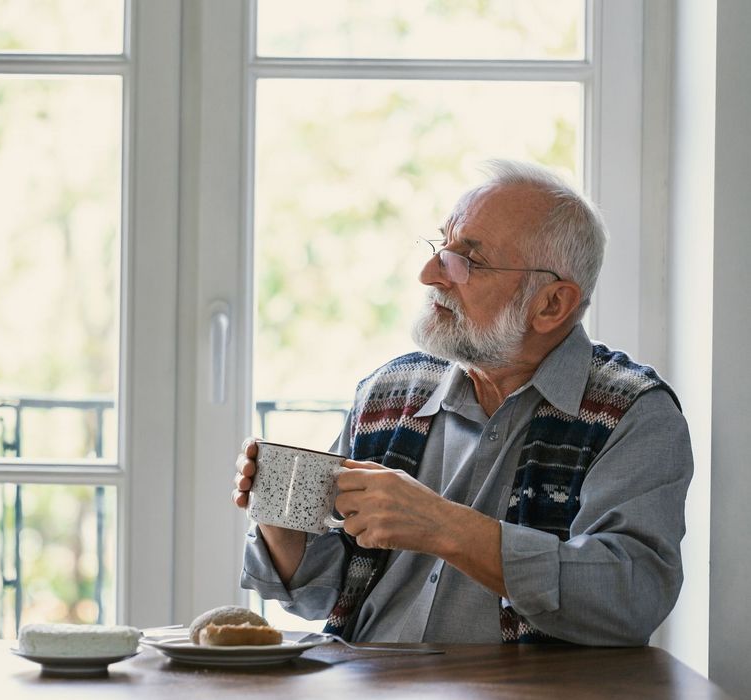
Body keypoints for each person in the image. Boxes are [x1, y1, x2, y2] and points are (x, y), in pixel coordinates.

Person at [233, 159, 692, 645]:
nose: (429, 274)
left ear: (552, 304)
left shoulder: (634, 414)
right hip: (366, 681)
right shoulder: (391, 391)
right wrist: (280, 524)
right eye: (440, 248)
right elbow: (325, 595)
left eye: (466, 260)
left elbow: (630, 597)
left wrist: (442, 526)